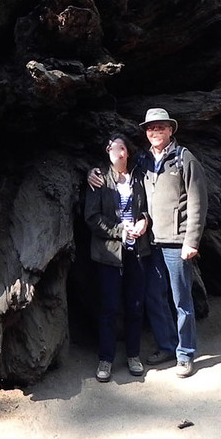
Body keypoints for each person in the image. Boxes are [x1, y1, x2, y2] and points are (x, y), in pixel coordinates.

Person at [135, 107, 207, 377]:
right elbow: (136, 195)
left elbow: (199, 201)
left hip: (178, 242)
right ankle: (166, 345)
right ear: (146, 132)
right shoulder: (143, 161)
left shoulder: (183, 158)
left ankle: (185, 353)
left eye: (161, 127)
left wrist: (192, 240)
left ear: (170, 130)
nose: (155, 132)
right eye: (151, 128)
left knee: (181, 299)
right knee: (154, 296)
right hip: (151, 242)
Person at [83, 135, 154, 381]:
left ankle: (133, 355)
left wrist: (144, 221)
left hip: (137, 252)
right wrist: (120, 231)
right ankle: (106, 359)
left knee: (135, 306)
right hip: (109, 255)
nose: (118, 152)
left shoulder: (137, 179)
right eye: (114, 148)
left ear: (128, 153)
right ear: (107, 151)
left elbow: (145, 209)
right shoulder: (99, 179)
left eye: (122, 148)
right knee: (109, 308)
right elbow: (91, 217)